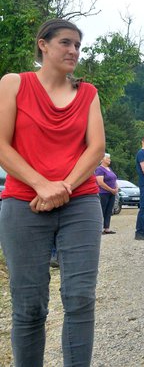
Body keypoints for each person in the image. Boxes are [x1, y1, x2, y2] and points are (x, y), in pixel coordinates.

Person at [0, 19, 105, 366]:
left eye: (78, 45)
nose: (74, 51)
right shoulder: (14, 84)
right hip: (23, 203)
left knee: (80, 299)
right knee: (28, 305)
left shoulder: (88, 94)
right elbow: (2, 144)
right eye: (65, 42)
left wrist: (64, 187)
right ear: (42, 45)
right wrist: (42, 185)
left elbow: (95, 148)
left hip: (81, 203)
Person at [95, 153, 119, 234]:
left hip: (112, 193)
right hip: (103, 193)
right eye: (108, 158)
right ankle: (99, 228)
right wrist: (111, 189)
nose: (110, 160)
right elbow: (100, 182)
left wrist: (116, 188)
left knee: (109, 210)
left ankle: (107, 228)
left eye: (109, 158)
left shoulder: (109, 169)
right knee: (102, 210)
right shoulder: (99, 169)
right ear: (102, 159)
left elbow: (114, 179)